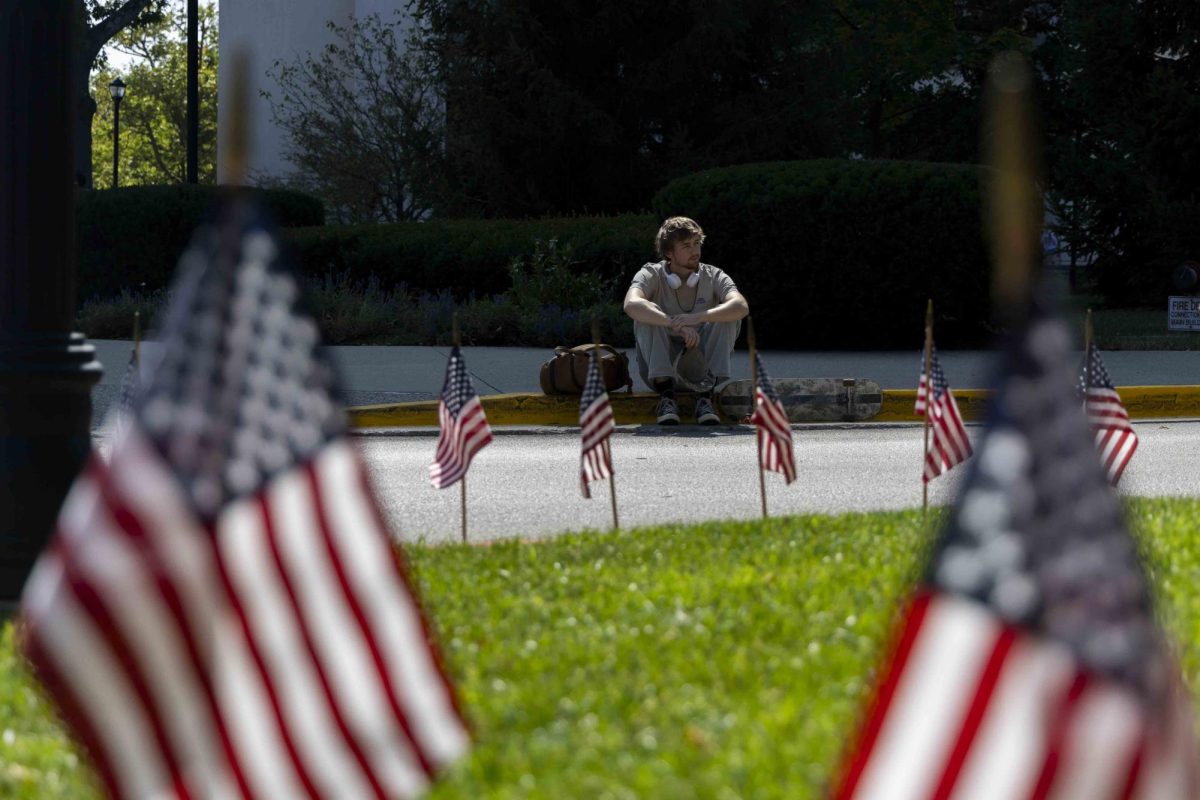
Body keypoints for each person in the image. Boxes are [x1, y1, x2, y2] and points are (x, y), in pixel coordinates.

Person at [623, 217, 749, 425]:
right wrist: (674, 323)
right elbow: (630, 304)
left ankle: (705, 397)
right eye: (687, 246)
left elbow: (741, 306)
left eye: (697, 243)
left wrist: (699, 317)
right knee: (646, 313)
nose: (695, 251)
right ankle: (667, 398)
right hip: (662, 370)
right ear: (669, 253)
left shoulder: (714, 275)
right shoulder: (650, 273)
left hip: (699, 367)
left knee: (726, 316)